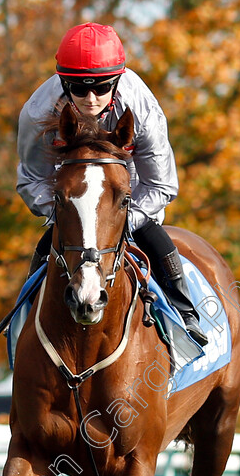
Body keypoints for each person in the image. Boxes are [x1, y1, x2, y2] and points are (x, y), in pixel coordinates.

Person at [16, 21, 208, 346]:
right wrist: (73, 214)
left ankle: (185, 315)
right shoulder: (37, 113)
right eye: (79, 88)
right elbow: (32, 179)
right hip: (75, 197)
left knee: (159, 242)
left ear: (117, 81)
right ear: (63, 82)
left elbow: (160, 186)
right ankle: (23, 326)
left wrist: (117, 218)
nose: (91, 98)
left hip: (125, 194)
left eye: (102, 87)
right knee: (44, 251)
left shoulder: (143, 109)